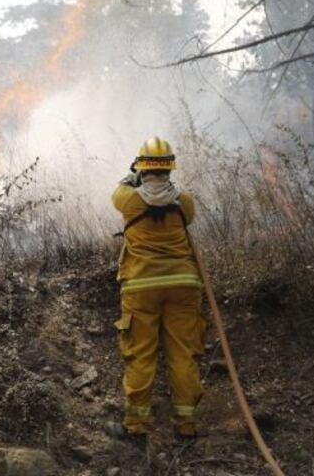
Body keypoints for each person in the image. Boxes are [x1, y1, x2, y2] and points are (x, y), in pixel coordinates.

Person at [109, 136, 205, 440]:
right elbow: (185, 217)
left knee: (141, 354)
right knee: (183, 354)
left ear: (142, 167)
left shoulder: (128, 200)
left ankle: (136, 426)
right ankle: (186, 425)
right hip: (184, 286)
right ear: (170, 169)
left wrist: (132, 174)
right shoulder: (184, 201)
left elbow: (120, 189)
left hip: (141, 287)